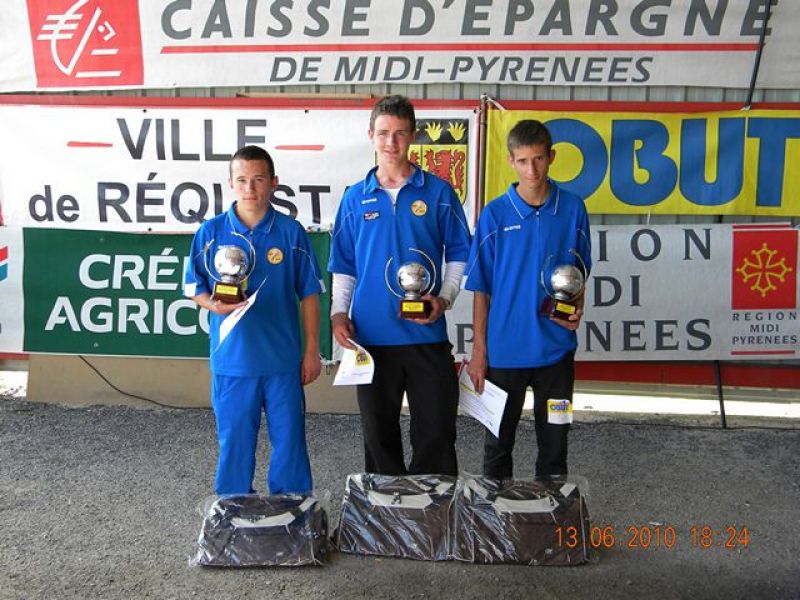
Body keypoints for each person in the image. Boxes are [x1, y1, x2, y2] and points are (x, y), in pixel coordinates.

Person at [328, 95, 471, 476]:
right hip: (371, 340)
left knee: (437, 434)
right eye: (383, 133)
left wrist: (445, 298)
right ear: (371, 136)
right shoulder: (354, 198)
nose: (391, 142)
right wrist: (339, 313)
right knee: (379, 439)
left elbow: (460, 253)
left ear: (413, 135)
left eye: (400, 133)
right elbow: (344, 264)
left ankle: (434, 508)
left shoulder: (439, 192)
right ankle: (385, 510)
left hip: (426, 336)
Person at [184, 145, 324, 496]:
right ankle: (232, 511)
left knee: (290, 443)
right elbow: (193, 287)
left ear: (274, 182)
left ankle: (292, 510)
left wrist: (311, 352)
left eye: (259, 179)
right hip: (233, 362)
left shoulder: (291, 232)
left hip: (282, 362)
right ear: (230, 182)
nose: (250, 188)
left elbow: (309, 294)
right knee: (234, 444)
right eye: (242, 180)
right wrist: (212, 305)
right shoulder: (211, 232)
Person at [465, 119, 591, 480]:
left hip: (557, 353)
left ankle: (552, 511)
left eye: (538, 159)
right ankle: (494, 512)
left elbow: (579, 271)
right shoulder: (494, 214)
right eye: (522, 161)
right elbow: (481, 288)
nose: (531, 170)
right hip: (505, 353)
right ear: (510, 160)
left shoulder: (573, 209)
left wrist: (577, 307)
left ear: (551, 156)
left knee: (556, 443)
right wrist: (479, 351)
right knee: (497, 446)